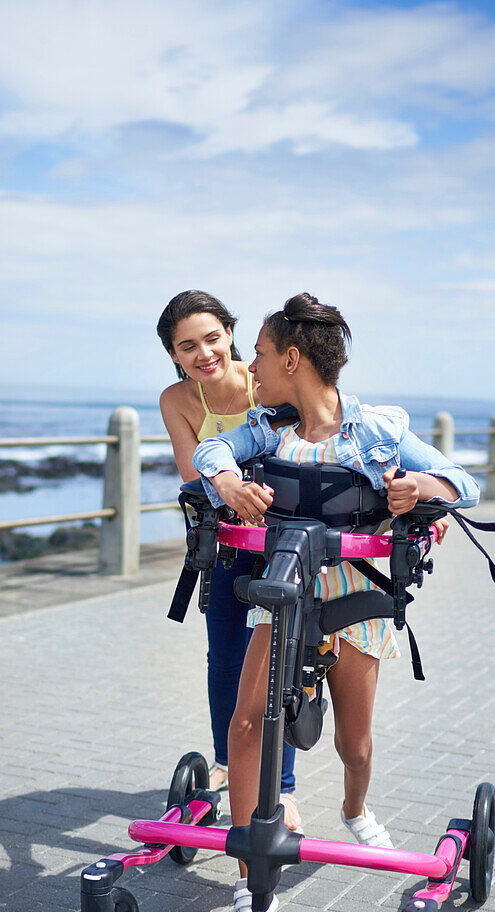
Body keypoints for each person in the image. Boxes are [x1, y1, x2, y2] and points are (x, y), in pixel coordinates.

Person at [192, 292, 480, 912]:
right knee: (245, 723)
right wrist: (230, 483)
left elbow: (465, 479)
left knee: (354, 743)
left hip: (356, 590)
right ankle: (250, 881)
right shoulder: (266, 428)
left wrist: (425, 488)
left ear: (292, 358)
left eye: (258, 354)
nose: (248, 366)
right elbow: (213, 455)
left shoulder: (375, 430)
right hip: (288, 583)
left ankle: (354, 808)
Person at [157, 291, 299, 827]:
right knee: (225, 656)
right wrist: (230, 488)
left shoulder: (269, 380)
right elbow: (192, 477)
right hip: (225, 541)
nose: (204, 353)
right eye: (187, 346)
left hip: (286, 544)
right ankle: (224, 762)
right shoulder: (176, 400)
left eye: (212, 338)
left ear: (231, 335)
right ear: (174, 354)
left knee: (281, 661)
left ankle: (282, 788)